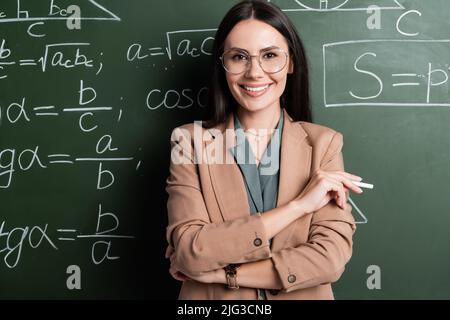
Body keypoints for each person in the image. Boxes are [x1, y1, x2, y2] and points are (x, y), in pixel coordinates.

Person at [165, 0, 362, 300]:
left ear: (291, 62)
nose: (255, 72)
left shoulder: (325, 144)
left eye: (270, 55)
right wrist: (298, 207)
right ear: (222, 64)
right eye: (239, 57)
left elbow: (329, 259)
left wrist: (224, 274)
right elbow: (192, 251)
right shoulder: (188, 141)